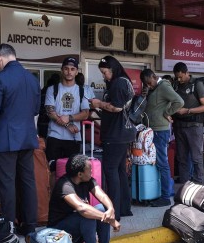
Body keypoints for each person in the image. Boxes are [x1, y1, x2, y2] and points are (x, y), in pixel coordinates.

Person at [0, 43, 40, 235]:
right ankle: (30, 225)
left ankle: (9, 226)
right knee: (27, 182)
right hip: (27, 137)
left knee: (7, 184)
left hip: (4, 140)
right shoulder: (32, 79)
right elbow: (35, 110)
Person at [48, 154, 123, 243]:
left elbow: (102, 195)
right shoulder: (64, 185)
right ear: (80, 174)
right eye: (90, 169)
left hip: (78, 231)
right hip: (59, 233)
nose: (92, 171)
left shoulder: (87, 180)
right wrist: (111, 220)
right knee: (87, 215)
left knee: (101, 208)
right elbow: (82, 208)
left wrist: (110, 210)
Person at [89, 56, 135, 217]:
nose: (104, 76)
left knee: (110, 169)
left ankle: (113, 209)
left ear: (113, 69)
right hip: (122, 133)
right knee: (120, 170)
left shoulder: (118, 83)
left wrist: (98, 104)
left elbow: (116, 108)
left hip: (116, 134)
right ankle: (124, 207)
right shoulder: (123, 81)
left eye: (105, 72)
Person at [140, 68, 184, 206]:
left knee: (162, 163)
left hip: (160, 131)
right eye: (146, 84)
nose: (149, 85)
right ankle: (158, 192)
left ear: (154, 76)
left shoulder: (163, 86)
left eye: (149, 82)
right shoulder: (154, 89)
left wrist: (167, 113)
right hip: (152, 130)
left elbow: (179, 102)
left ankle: (165, 197)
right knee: (156, 162)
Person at [44, 57, 93, 165]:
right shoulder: (52, 89)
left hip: (74, 138)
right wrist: (68, 125)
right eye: (66, 68)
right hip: (54, 137)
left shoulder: (82, 91)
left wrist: (69, 117)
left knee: (72, 173)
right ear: (62, 70)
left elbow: (85, 114)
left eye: (72, 69)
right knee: (53, 170)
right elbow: (50, 112)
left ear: (76, 72)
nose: (69, 72)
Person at [171, 62, 204, 184]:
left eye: (181, 76)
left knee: (196, 157)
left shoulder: (197, 85)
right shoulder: (175, 85)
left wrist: (187, 110)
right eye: (177, 76)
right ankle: (185, 184)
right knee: (181, 158)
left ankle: (198, 184)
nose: (179, 79)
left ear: (187, 73)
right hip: (179, 125)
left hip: (194, 126)